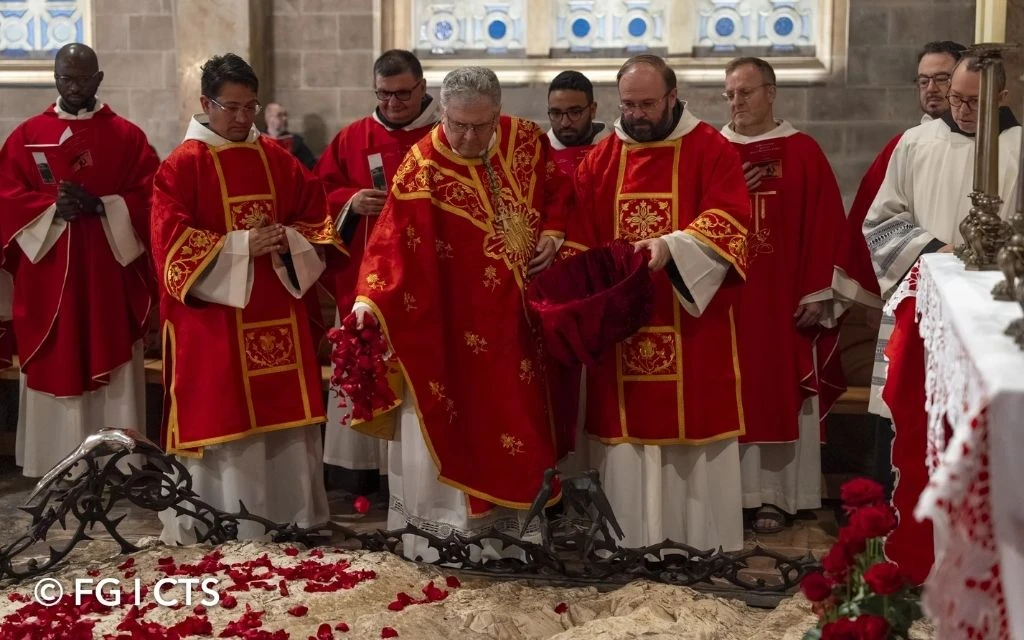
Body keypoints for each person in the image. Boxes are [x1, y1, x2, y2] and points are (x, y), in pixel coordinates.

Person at [349, 66, 572, 561]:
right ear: (442, 113)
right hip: (449, 330)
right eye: (457, 125)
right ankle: (449, 542)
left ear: (499, 113)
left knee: (518, 429)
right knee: (454, 423)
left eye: (481, 125)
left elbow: (560, 191)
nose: (469, 136)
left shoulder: (527, 140)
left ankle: (516, 541)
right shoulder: (420, 167)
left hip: (517, 327)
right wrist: (369, 303)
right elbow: (389, 250)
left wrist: (554, 234)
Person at [150, 53, 346, 542]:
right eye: (231, 107)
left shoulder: (278, 158)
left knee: (282, 420)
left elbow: (315, 219)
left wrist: (289, 241)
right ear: (205, 103)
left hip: (277, 305)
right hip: (214, 322)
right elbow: (169, 245)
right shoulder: (179, 168)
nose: (241, 118)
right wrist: (238, 246)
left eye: (249, 107)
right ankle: (224, 520)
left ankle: (294, 516)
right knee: (226, 414)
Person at [572, 54, 751, 551]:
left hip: (692, 326)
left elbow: (733, 223)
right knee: (629, 446)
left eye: (648, 104)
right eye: (628, 104)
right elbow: (580, 240)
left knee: (692, 439)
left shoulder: (712, 150)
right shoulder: (599, 160)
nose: (636, 114)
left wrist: (672, 247)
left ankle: (700, 545)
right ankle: (628, 546)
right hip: (623, 335)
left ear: (673, 97)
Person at [719, 57, 881, 534]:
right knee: (730, 395)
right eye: (729, 94)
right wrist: (728, 189)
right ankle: (730, 494)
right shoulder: (713, 150)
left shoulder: (803, 151)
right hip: (728, 300)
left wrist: (819, 293)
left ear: (771, 93)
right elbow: (689, 220)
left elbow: (827, 226)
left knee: (780, 389)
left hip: (785, 302)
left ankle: (777, 496)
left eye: (745, 92)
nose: (736, 103)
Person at [0, 43, 158, 478]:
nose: (74, 87)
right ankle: (54, 463)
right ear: (54, 77)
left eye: (83, 79)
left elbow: (151, 200)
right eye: (66, 78)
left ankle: (117, 463)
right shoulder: (26, 134)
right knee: (56, 354)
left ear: (99, 79)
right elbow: (5, 198)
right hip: (48, 279)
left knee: (110, 350)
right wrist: (51, 209)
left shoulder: (127, 137)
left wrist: (103, 206)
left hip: (106, 276)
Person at [316, 50, 440, 493]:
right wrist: (351, 201)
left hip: (426, 283)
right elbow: (319, 196)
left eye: (403, 94)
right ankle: (359, 470)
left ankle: (412, 474)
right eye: (384, 94)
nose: (393, 103)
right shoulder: (353, 137)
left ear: (423, 87)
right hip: (366, 283)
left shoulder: (446, 135)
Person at [852, 40, 966, 423]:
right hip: (919, 298)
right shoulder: (910, 145)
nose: (933, 89)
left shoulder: (1013, 145)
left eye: (942, 79)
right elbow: (877, 222)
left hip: (991, 302)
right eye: (923, 81)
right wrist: (936, 251)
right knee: (911, 414)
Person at [546, 70, 610, 177]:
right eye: (556, 113)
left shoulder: (614, 152)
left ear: (593, 110)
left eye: (575, 113)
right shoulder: (538, 158)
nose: (565, 123)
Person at [263, 102, 318, 169]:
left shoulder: (295, 141)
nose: (284, 118)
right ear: (269, 118)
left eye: (285, 115)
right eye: (279, 115)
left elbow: (310, 165)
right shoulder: (259, 140)